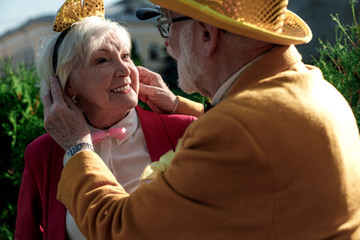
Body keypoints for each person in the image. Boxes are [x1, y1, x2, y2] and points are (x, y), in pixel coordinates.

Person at [43, 0, 360, 239]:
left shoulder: (234, 131)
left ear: (207, 35)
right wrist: (179, 105)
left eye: (169, 25)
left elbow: (120, 228)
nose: (167, 44)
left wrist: (77, 147)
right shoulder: (317, 87)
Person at [14, 2, 196, 239]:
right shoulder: (41, 153)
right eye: (102, 60)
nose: (124, 69)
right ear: (68, 85)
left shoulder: (183, 130)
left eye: (126, 55)